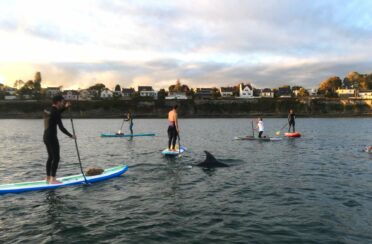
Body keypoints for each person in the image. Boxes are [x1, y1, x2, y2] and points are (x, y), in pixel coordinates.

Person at [43, 95, 75, 184]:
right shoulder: (55, 112)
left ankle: (48, 178)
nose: (63, 103)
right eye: (62, 102)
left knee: (50, 157)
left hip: (45, 136)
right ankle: (53, 179)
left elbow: (56, 113)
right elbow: (61, 127)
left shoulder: (49, 110)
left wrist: (65, 108)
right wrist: (71, 135)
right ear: (58, 102)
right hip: (52, 137)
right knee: (56, 158)